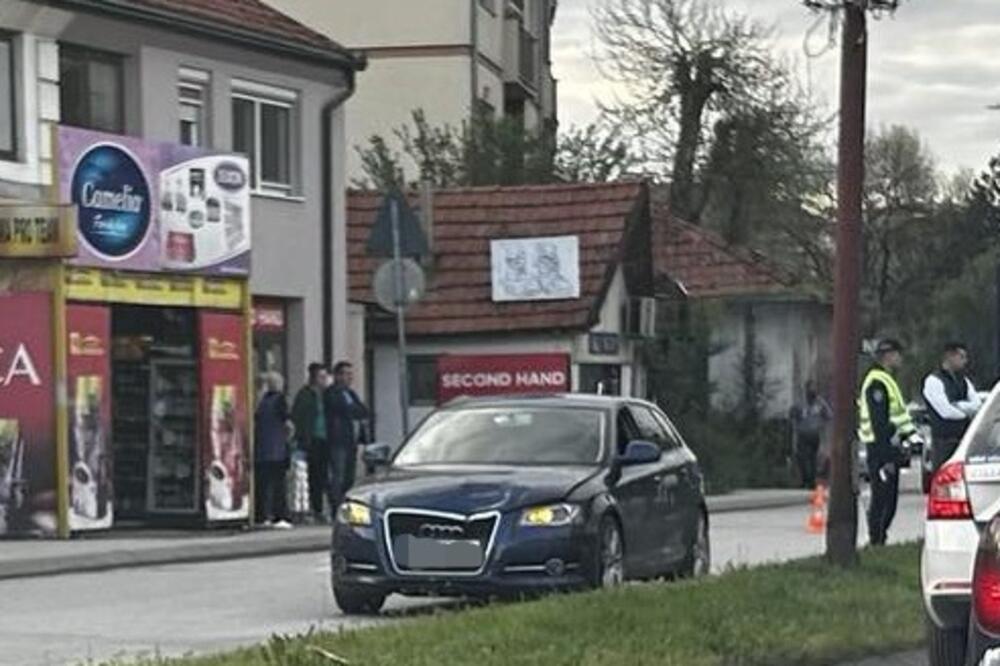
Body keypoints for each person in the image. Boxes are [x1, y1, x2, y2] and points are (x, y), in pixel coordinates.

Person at [857, 339, 921, 546]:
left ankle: (879, 538)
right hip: (880, 449)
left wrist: (911, 438)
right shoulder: (877, 382)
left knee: (889, 499)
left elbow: (899, 416)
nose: (900, 359)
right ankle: (876, 540)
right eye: (898, 354)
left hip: (889, 448)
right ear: (889, 355)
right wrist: (892, 443)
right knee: (882, 499)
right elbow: (880, 422)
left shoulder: (886, 380)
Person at [922, 342, 982, 475]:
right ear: (950, 356)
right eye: (961, 357)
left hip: (964, 440)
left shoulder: (964, 381)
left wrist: (959, 405)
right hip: (943, 442)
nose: (965, 361)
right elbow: (945, 412)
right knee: (944, 477)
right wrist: (967, 413)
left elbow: (977, 405)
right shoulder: (933, 381)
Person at [325, 361, 370, 512]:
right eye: (346, 374)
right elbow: (344, 409)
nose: (350, 377)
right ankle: (336, 507)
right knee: (338, 475)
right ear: (338, 376)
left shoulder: (350, 393)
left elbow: (363, 411)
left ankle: (346, 505)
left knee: (349, 476)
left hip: (351, 440)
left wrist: (354, 410)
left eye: (351, 374)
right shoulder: (332, 393)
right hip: (337, 440)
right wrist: (353, 410)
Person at [291, 362, 331, 523]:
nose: (324, 380)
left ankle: (319, 509)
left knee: (322, 476)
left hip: (325, 439)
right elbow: (298, 417)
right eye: (321, 377)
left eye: (325, 377)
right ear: (314, 378)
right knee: (311, 477)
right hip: (311, 440)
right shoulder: (305, 395)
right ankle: (311, 510)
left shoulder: (326, 395)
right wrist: (301, 438)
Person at [254, 372, 293, 529]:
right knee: (278, 485)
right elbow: (288, 423)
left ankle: (263, 515)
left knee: (263, 485)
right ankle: (280, 515)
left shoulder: (261, 401)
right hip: (277, 449)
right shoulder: (280, 400)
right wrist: (288, 438)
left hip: (262, 449)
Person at [790, 381, 832, 489]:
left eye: (813, 389)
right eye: (810, 389)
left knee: (812, 459)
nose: (811, 391)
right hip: (802, 434)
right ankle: (805, 479)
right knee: (803, 458)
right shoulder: (800, 403)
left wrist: (822, 426)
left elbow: (828, 416)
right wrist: (796, 423)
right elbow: (793, 415)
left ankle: (811, 481)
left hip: (814, 435)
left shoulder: (820, 403)